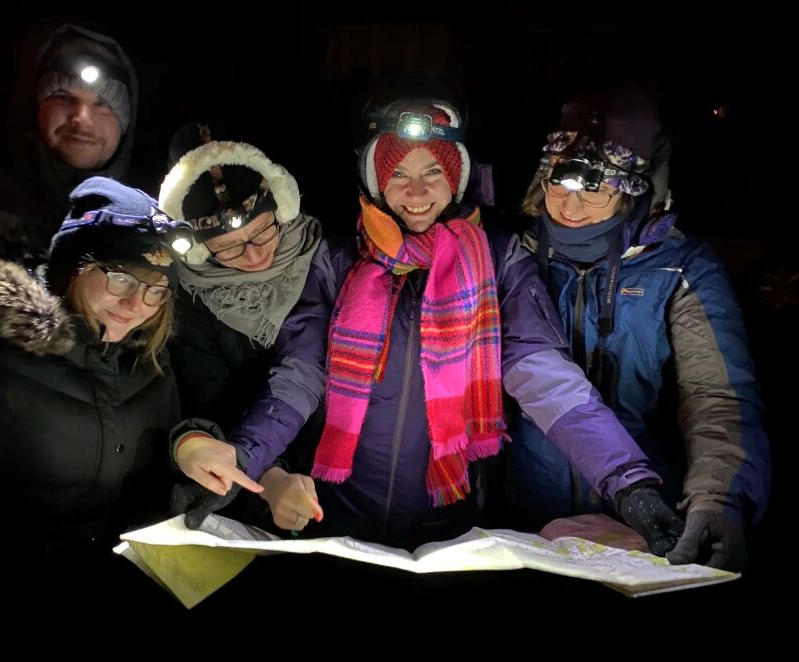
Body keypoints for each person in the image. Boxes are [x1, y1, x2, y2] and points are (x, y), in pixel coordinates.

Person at [169, 80, 685, 555]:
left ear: (457, 177)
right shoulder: (338, 260)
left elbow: (543, 375)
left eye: (433, 171)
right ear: (374, 179)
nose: (416, 193)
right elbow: (299, 375)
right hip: (336, 514)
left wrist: (629, 482)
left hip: (452, 523)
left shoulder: (498, 258)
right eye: (397, 173)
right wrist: (244, 457)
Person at [505, 86, 770, 570]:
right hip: (525, 518)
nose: (571, 207)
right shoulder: (513, 258)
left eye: (595, 190)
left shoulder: (681, 269)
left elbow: (716, 396)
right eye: (558, 185)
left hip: (646, 525)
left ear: (632, 190)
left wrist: (718, 500)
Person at [0, 177, 186, 607]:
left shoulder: (148, 359)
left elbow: (151, 486)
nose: (137, 305)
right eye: (121, 279)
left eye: (156, 290)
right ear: (74, 267)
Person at [158, 135, 324, 522]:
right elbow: (210, 406)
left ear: (282, 210)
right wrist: (270, 476)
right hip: (264, 478)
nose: (253, 254)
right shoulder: (194, 305)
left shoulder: (321, 259)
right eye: (228, 247)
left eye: (262, 231)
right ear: (201, 250)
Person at [0, 23, 138, 257]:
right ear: (36, 107)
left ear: (124, 124)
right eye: (63, 97)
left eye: (102, 104)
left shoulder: (149, 223)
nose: (81, 118)